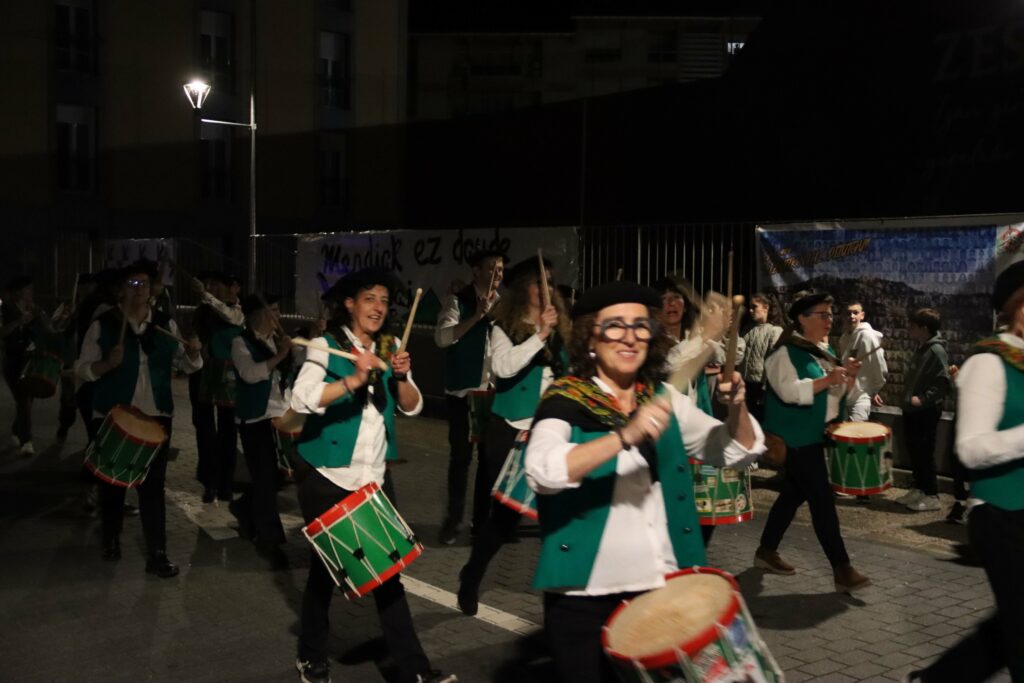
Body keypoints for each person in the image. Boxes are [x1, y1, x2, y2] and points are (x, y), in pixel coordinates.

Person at [523, 280, 764, 683]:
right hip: (586, 595)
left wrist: (736, 408)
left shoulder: (663, 398)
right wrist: (624, 436)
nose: (629, 336)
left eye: (640, 326)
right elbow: (542, 470)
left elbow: (735, 451)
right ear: (590, 339)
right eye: (614, 326)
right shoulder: (565, 399)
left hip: (662, 588)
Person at [290, 267, 456, 683]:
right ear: (350, 304)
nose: (379, 308)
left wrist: (399, 377)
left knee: (388, 575)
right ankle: (311, 655)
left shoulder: (390, 346)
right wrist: (354, 379)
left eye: (384, 301)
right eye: (370, 299)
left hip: (374, 479)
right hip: (329, 476)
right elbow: (302, 397)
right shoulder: (325, 345)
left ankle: (415, 671)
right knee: (325, 572)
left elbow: (412, 405)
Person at [907, 262, 1024, 682]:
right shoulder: (989, 362)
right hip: (1002, 515)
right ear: (1015, 307)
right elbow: (970, 450)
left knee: (1006, 631)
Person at [456, 257, 570, 616]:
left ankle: (561, 604)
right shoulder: (503, 326)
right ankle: (472, 575)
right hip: (511, 430)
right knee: (504, 519)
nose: (545, 288)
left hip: (551, 431)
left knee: (558, 520)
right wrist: (540, 336)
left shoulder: (562, 327)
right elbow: (504, 368)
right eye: (538, 281)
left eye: (549, 280)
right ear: (523, 289)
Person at [75, 261, 202, 576]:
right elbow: (82, 369)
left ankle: (158, 553)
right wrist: (107, 364)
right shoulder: (104, 324)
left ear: (152, 290)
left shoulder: (164, 324)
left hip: (156, 414)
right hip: (113, 414)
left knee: (153, 486)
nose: (139, 289)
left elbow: (186, 365)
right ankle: (111, 538)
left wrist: (193, 353)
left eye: (144, 283)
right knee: (113, 484)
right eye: (132, 284)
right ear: (121, 290)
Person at [754, 291, 871, 593]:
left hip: (812, 436)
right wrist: (829, 379)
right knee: (821, 501)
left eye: (830, 314)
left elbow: (834, 398)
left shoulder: (822, 352)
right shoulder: (784, 353)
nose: (829, 320)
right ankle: (842, 568)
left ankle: (766, 551)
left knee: (793, 495)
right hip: (793, 438)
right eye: (822, 314)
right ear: (802, 319)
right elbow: (789, 392)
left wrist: (848, 378)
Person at [433, 249, 504, 545]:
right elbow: (442, 338)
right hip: (462, 392)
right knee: (461, 458)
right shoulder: (457, 301)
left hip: (491, 391)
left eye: (501, 270)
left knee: (488, 460)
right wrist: (477, 316)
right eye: (491, 268)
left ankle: (481, 522)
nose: (497, 274)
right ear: (476, 271)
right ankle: (453, 520)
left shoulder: (505, 305)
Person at [230, 294, 293, 567]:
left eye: (278, 310)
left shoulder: (276, 340)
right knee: (266, 480)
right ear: (257, 315)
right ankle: (270, 541)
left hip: (280, 416)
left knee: (275, 478)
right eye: (272, 310)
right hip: (255, 419)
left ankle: (243, 507)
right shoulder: (240, 342)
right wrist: (280, 356)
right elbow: (250, 374)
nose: (277, 316)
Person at [191, 272, 244, 503]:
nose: (211, 288)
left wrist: (206, 295)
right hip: (205, 370)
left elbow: (231, 317)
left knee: (228, 430)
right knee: (204, 429)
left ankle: (225, 483)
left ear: (234, 287)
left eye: (215, 284)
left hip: (230, 374)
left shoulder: (238, 311)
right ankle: (209, 481)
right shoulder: (204, 310)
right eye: (208, 284)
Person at [898, 308, 951, 513]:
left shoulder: (936, 351)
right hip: (913, 409)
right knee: (914, 450)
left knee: (924, 452)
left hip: (925, 411)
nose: (909, 329)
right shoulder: (922, 348)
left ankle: (931, 494)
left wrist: (923, 399)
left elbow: (942, 383)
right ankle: (919, 488)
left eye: (913, 326)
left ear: (924, 328)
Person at [0, 276, 54, 456]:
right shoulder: (6, 309)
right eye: (27, 289)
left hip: (30, 360)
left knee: (28, 400)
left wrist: (43, 315)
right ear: (18, 292)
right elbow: (2, 332)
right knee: (23, 400)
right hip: (13, 361)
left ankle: (16, 432)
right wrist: (19, 321)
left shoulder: (34, 309)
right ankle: (26, 441)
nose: (31, 292)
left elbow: (49, 330)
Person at [837, 301, 887, 422]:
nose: (851, 316)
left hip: (860, 397)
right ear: (842, 316)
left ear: (862, 315)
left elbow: (879, 365)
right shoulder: (843, 338)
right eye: (848, 313)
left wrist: (873, 390)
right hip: (844, 396)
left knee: (855, 431)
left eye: (855, 313)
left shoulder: (867, 336)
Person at [739, 293, 783, 423]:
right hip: (744, 383)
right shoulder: (747, 329)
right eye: (750, 307)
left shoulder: (774, 331)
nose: (750, 310)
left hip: (760, 386)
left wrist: (765, 388)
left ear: (766, 307)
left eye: (754, 307)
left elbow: (774, 363)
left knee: (758, 421)